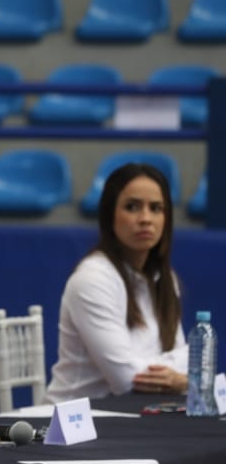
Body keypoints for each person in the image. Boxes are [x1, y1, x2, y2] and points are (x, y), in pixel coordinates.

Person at [46, 163, 187, 402]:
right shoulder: (93, 279)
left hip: (135, 416)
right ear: (110, 215)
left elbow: (186, 362)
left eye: (156, 208)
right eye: (132, 207)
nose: (145, 219)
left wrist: (183, 376)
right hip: (74, 424)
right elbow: (126, 380)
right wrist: (182, 376)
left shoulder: (165, 278)